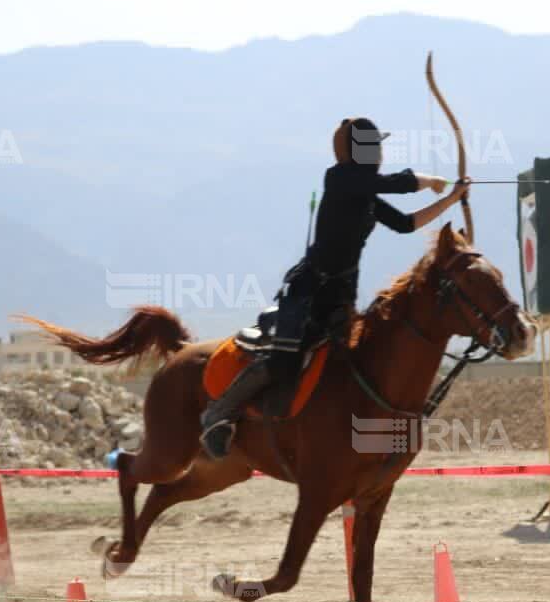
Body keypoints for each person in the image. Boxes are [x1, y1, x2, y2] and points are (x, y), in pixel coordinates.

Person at [199, 116, 470, 459]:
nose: (381, 152)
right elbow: (395, 183)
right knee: (285, 358)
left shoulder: (365, 191)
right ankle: (219, 412)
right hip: (311, 290)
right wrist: (431, 181)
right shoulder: (341, 177)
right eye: (376, 145)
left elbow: (405, 224)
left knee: (349, 362)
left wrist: (451, 199)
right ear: (361, 149)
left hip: (342, 294)